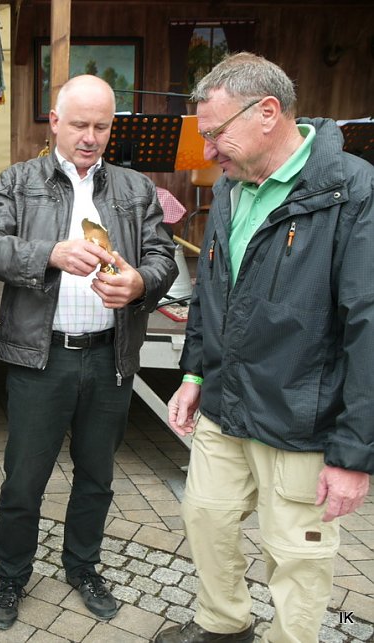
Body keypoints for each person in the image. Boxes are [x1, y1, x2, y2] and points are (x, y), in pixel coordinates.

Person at [156, 53, 374, 643]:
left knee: (296, 559)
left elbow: (367, 325)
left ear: (268, 114)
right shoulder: (231, 186)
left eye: (214, 134)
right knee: (207, 519)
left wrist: (353, 454)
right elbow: (211, 293)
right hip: (224, 406)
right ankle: (223, 627)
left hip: (301, 421)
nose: (207, 152)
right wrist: (194, 375)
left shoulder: (351, 191)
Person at [0, 75, 177, 631]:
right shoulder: (19, 181)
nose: (90, 137)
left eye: (101, 126)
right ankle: (12, 575)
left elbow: (163, 257)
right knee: (24, 478)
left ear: (113, 126)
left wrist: (139, 283)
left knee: (97, 476)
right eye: (79, 124)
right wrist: (50, 253)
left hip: (110, 356)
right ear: (55, 122)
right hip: (41, 358)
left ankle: (83, 566)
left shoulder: (136, 188)